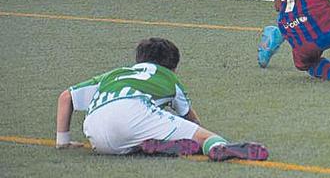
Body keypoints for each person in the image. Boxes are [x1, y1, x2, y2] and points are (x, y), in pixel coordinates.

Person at [55, 37, 269, 161]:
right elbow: (191, 119)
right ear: (173, 68)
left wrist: (63, 141)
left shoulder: (116, 74)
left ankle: (155, 145)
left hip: (96, 135)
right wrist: (199, 134)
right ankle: (218, 147)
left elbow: (66, 97)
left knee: (140, 133)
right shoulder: (168, 78)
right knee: (200, 135)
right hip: (133, 113)